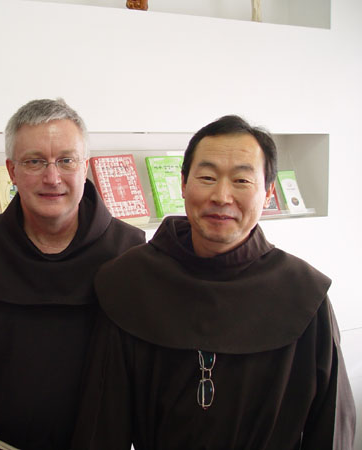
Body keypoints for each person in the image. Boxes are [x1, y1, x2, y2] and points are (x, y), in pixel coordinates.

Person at [72, 115, 356, 449]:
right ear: (183, 184)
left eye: (241, 180)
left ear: (268, 193)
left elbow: (331, 429)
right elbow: (102, 425)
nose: (221, 196)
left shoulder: (305, 295)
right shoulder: (129, 282)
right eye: (207, 177)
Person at [0, 98, 145, 449]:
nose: (52, 178)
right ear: (11, 171)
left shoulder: (130, 253)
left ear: (85, 167)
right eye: (34, 161)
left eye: (66, 160)